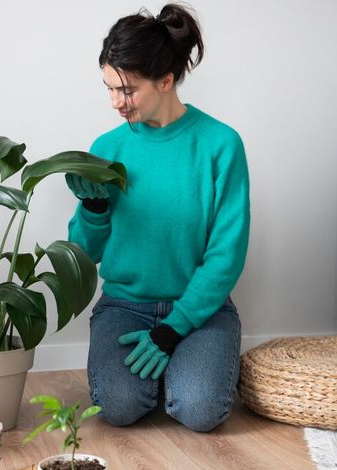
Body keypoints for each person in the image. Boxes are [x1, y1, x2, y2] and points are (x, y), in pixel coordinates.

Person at [67, 3, 250, 432]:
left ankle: (182, 368)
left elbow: (226, 256)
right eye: (109, 88)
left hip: (201, 312)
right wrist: (94, 209)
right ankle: (166, 378)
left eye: (127, 90)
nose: (116, 102)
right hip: (125, 308)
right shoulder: (107, 149)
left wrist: (172, 332)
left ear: (166, 81)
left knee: (203, 412)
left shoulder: (221, 145)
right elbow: (82, 254)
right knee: (119, 407)